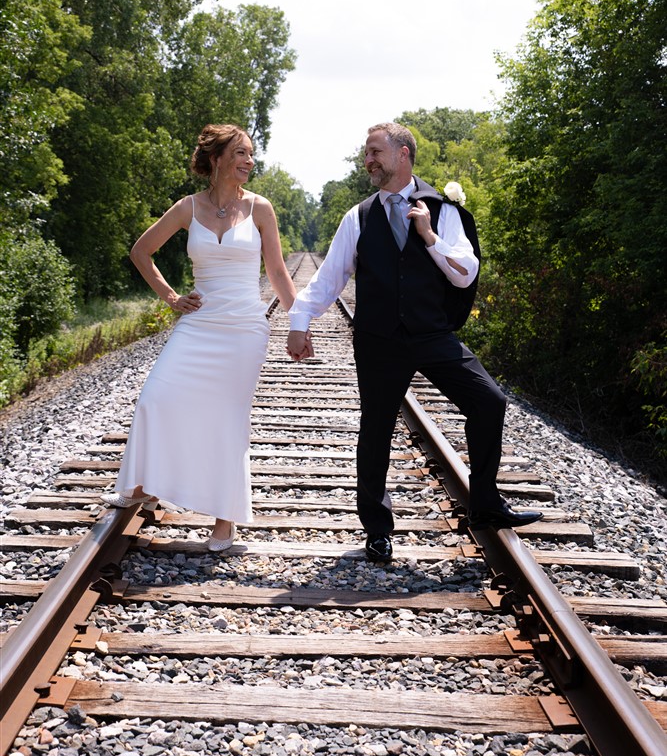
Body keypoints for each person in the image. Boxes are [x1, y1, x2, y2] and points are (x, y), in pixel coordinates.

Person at [287, 122, 543, 562]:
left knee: (489, 402)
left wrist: (429, 236)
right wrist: (300, 319)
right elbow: (331, 277)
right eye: (366, 153)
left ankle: (484, 504)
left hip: (430, 334)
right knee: (376, 430)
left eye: (375, 152)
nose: (368, 160)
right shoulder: (360, 215)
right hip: (379, 340)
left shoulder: (442, 211)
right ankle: (377, 529)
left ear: (403, 154)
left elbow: (465, 272)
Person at [105, 123, 298, 551]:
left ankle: (225, 518)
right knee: (156, 397)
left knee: (227, 419)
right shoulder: (188, 207)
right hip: (199, 322)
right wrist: (172, 297)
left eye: (251, 154)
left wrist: (298, 323)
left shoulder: (260, 208)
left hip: (244, 328)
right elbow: (141, 251)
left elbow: (279, 273)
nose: (249, 161)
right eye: (241, 153)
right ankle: (147, 483)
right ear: (216, 160)